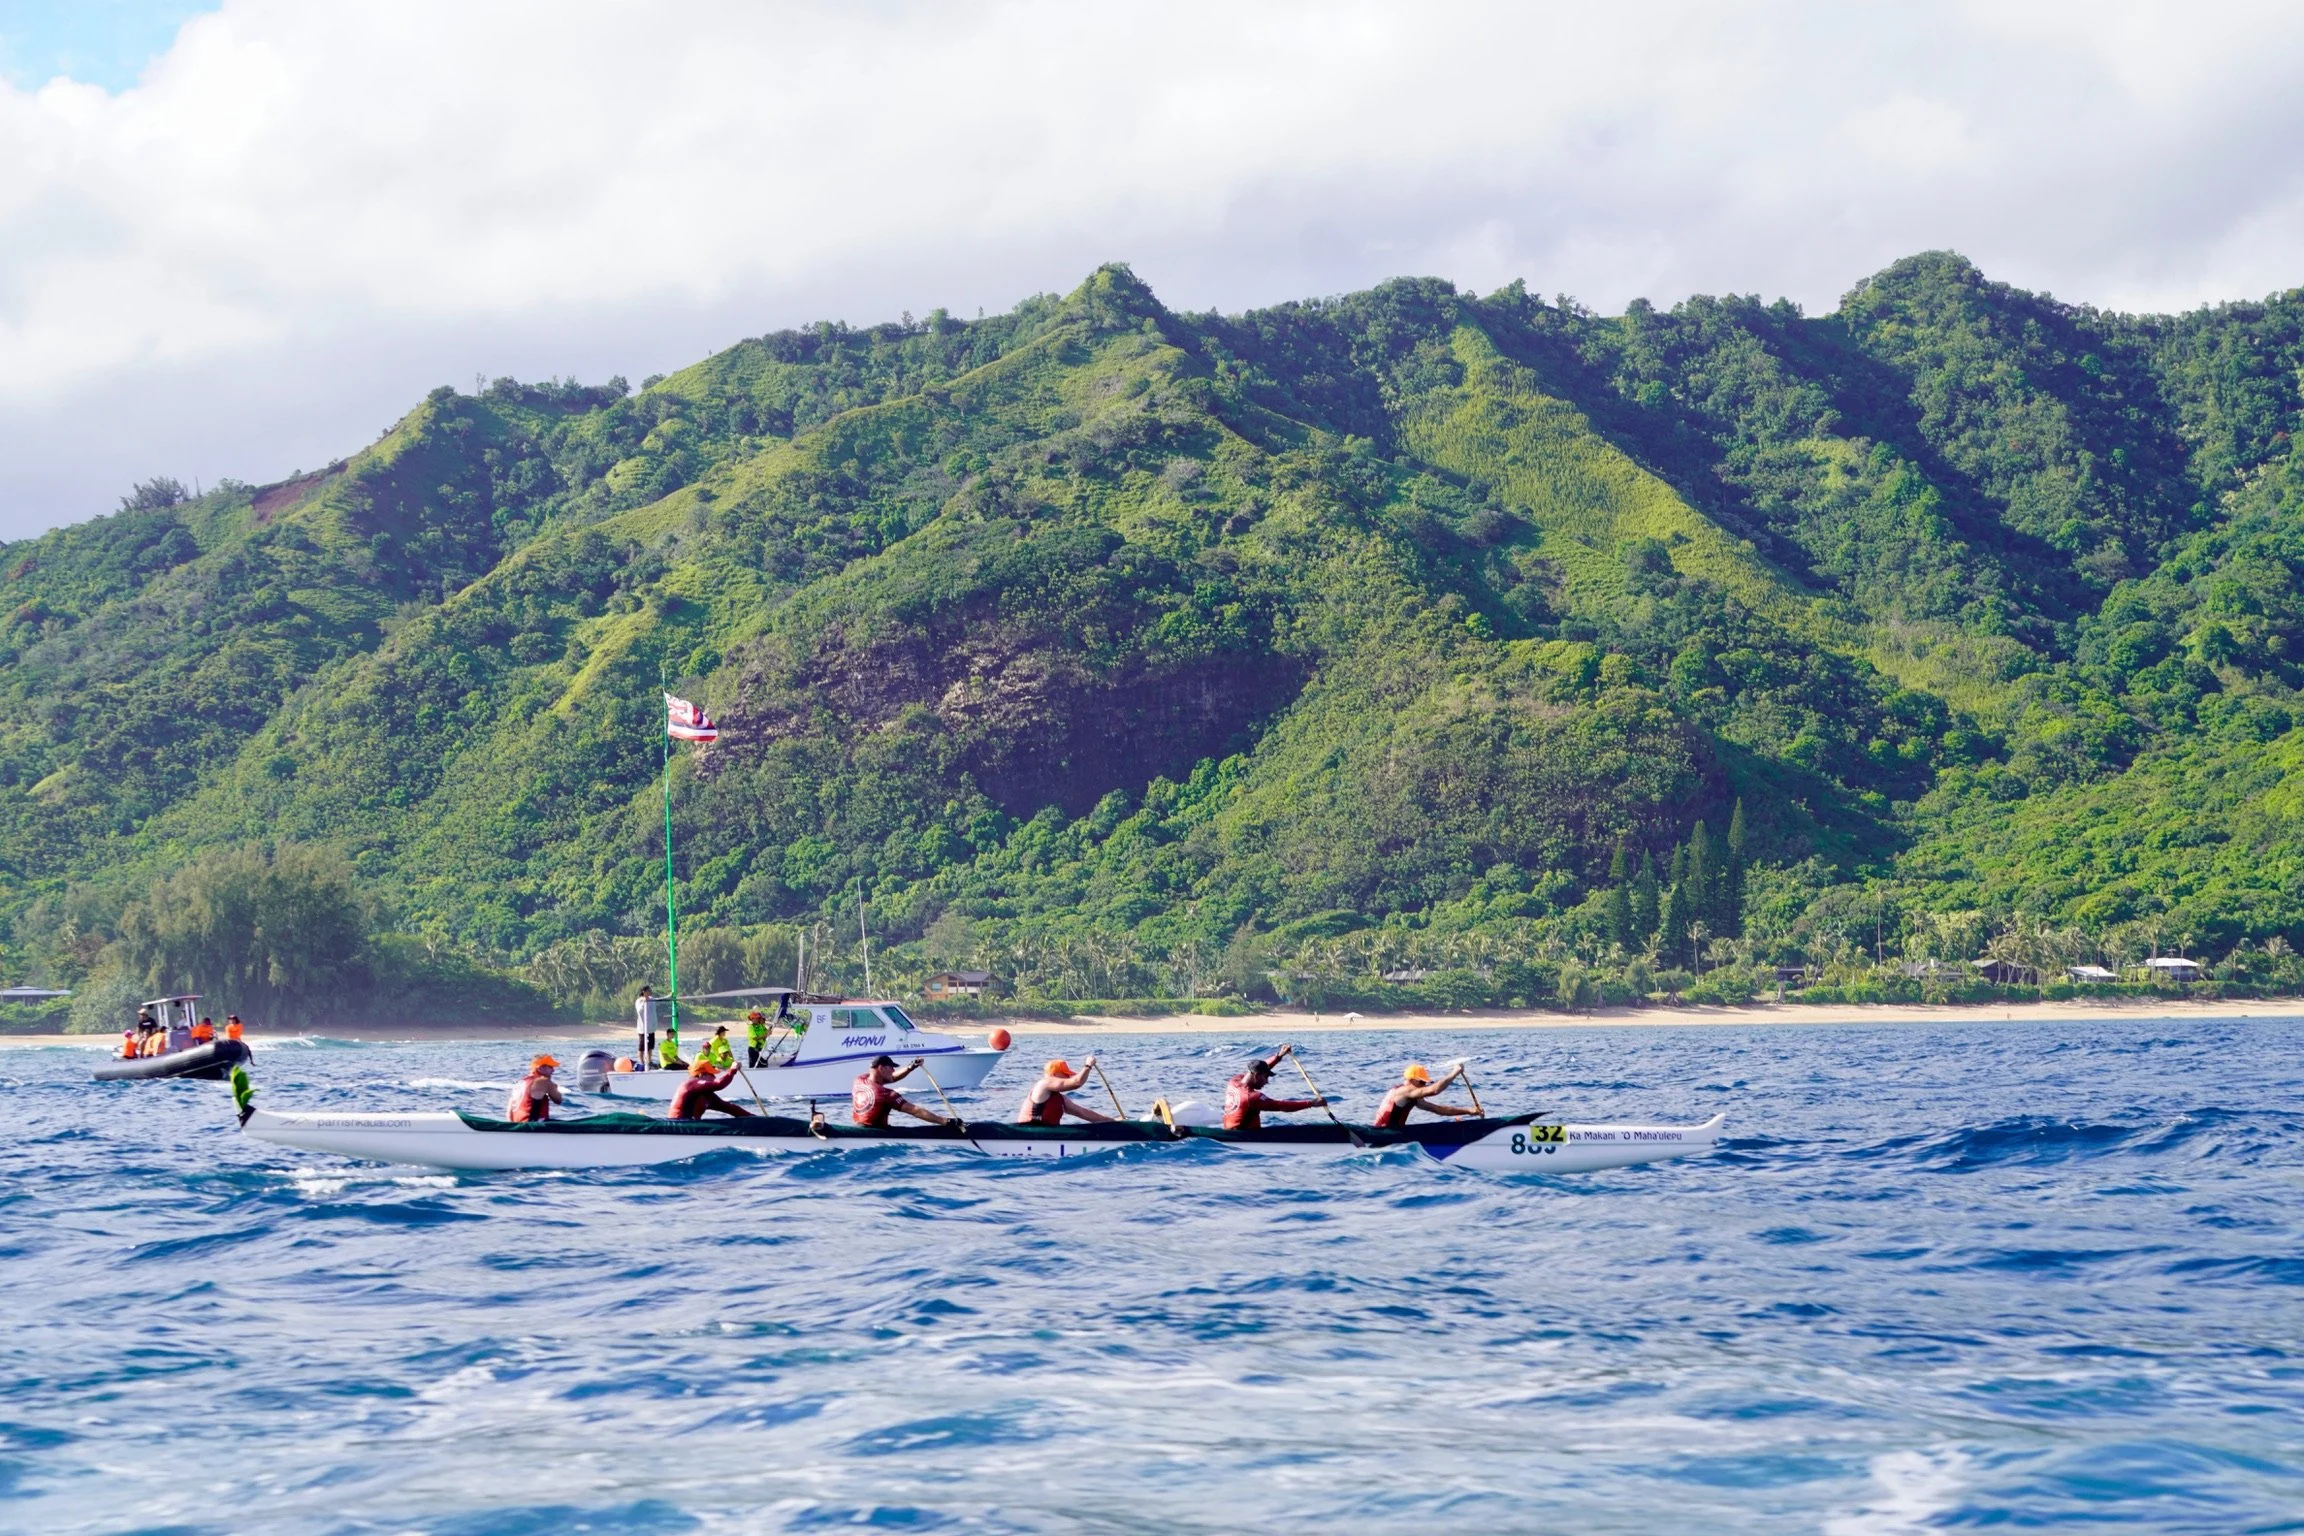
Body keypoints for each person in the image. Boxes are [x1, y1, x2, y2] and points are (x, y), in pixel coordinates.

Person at [1223, 1044, 1324, 1130]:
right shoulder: (1252, 1097)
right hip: (1247, 1138)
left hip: (1230, 1132)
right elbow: (1281, 1106)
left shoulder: (1234, 1081)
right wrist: (1311, 1103)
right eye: (1266, 1077)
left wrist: (1279, 1056)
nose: (1267, 1081)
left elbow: (1260, 1069)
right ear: (1257, 1076)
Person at [851, 1055, 955, 1127]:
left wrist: (911, 1067)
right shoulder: (887, 1095)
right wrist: (946, 1121)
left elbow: (892, 1078)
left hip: (858, 1126)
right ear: (881, 1068)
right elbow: (916, 1111)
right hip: (878, 1135)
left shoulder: (859, 1080)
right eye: (891, 1067)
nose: (893, 1070)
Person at [1370, 1062, 1478, 1128]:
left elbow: (1439, 1110)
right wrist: (1455, 1072)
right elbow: (1434, 1090)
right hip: (1384, 1134)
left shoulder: (1412, 1097)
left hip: (1393, 1133)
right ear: (1412, 1080)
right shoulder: (1403, 1092)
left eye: (1425, 1083)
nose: (1424, 1085)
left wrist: (1469, 1111)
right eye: (1422, 1082)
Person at [1015, 1057, 1116, 1125]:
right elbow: (1077, 1082)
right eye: (1065, 1074)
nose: (1067, 1077)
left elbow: (1083, 1113)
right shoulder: (1043, 1084)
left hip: (1048, 1134)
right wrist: (1088, 1066)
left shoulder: (1061, 1099)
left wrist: (1112, 1122)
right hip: (1029, 1132)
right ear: (1054, 1074)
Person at [669, 1057, 751, 1120]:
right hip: (678, 1124)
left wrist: (754, 1119)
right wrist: (732, 1070)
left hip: (692, 1126)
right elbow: (719, 1084)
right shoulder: (690, 1084)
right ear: (700, 1074)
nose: (714, 1077)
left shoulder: (707, 1095)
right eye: (711, 1074)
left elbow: (730, 1108)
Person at [506, 1055, 563, 1123]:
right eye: (550, 1067)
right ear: (540, 1068)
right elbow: (558, 1100)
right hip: (531, 1125)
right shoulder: (543, 1081)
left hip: (516, 1123)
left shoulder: (521, 1082)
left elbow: (509, 1111)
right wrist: (553, 1086)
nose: (553, 1070)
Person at [634, 985, 657, 1066]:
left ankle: (649, 1061)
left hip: (651, 1028)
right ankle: (641, 1062)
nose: (650, 992)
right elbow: (639, 1011)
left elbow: (659, 1000)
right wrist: (644, 1002)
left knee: (650, 1046)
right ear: (643, 992)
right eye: (648, 990)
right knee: (642, 1046)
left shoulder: (652, 999)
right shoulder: (639, 1001)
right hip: (643, 1029)